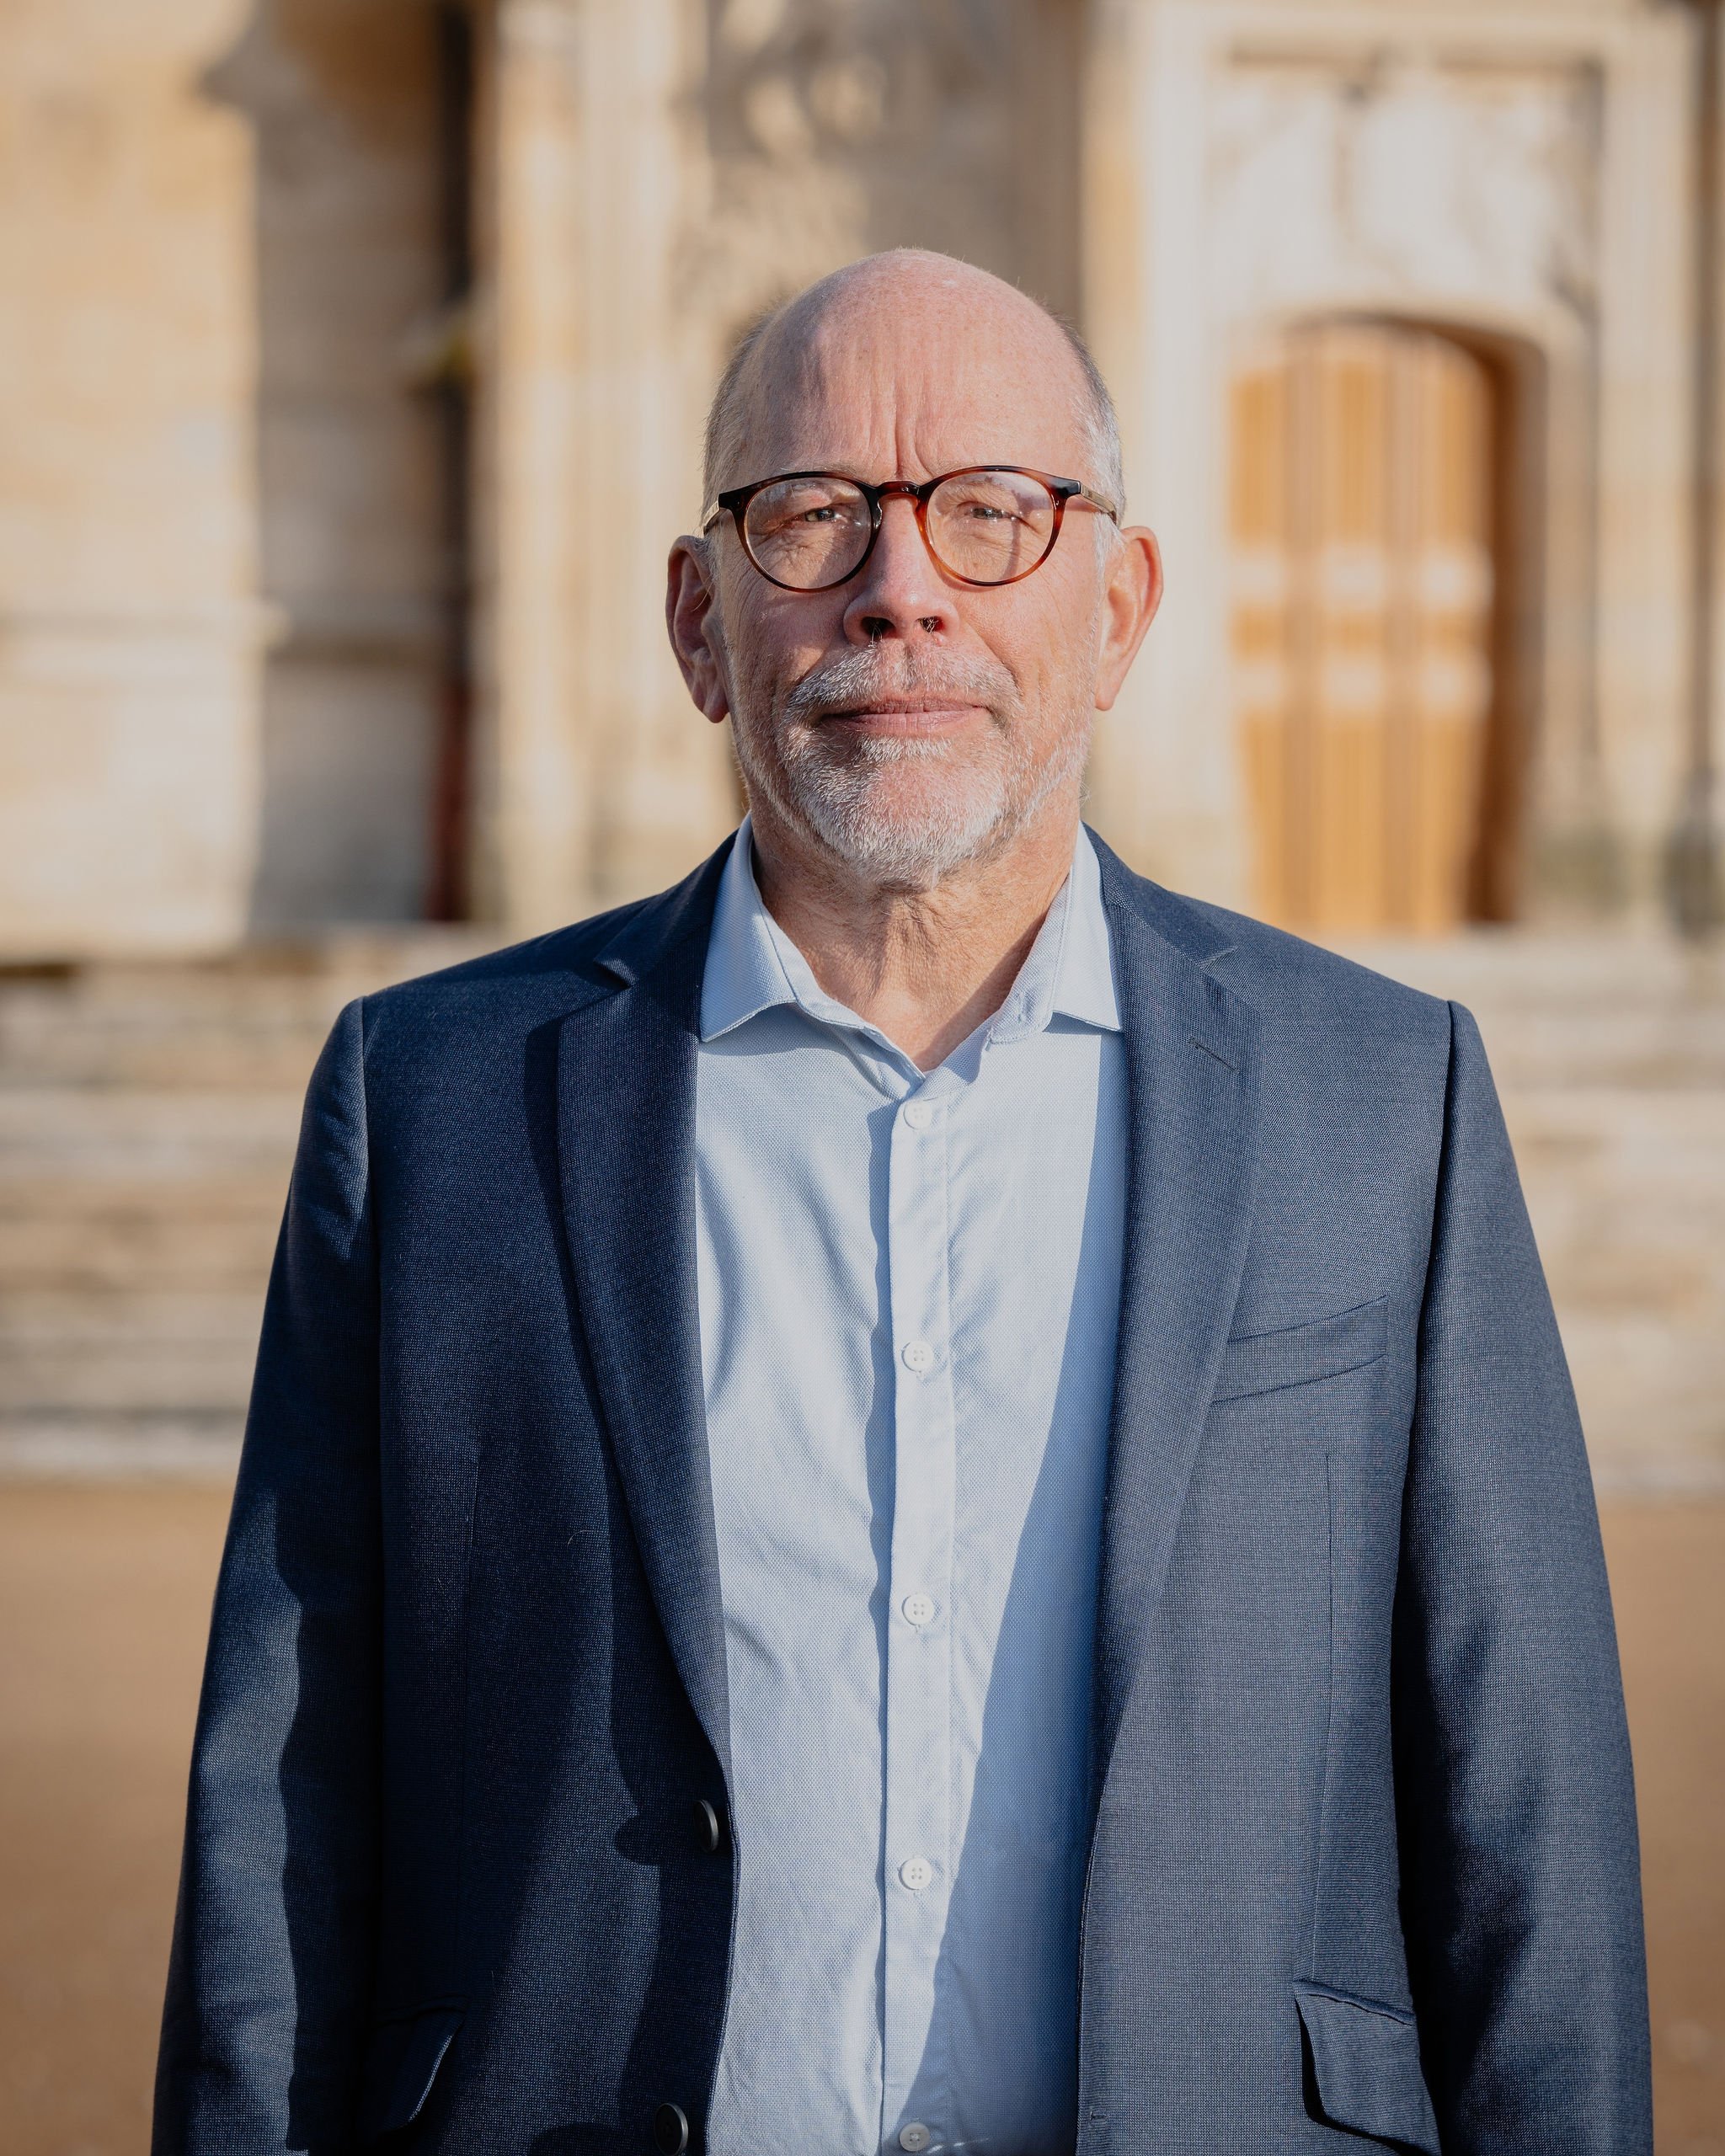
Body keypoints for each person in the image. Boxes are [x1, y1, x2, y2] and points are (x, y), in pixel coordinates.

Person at [154, 250, 1650, 2156]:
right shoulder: (430, 1100)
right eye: (811, 514)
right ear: (700, 622)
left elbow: (1524, 1816)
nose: (903, 583)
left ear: (1116, 608)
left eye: (992, 512)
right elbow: (285, 1801)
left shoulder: (1382, 1093)